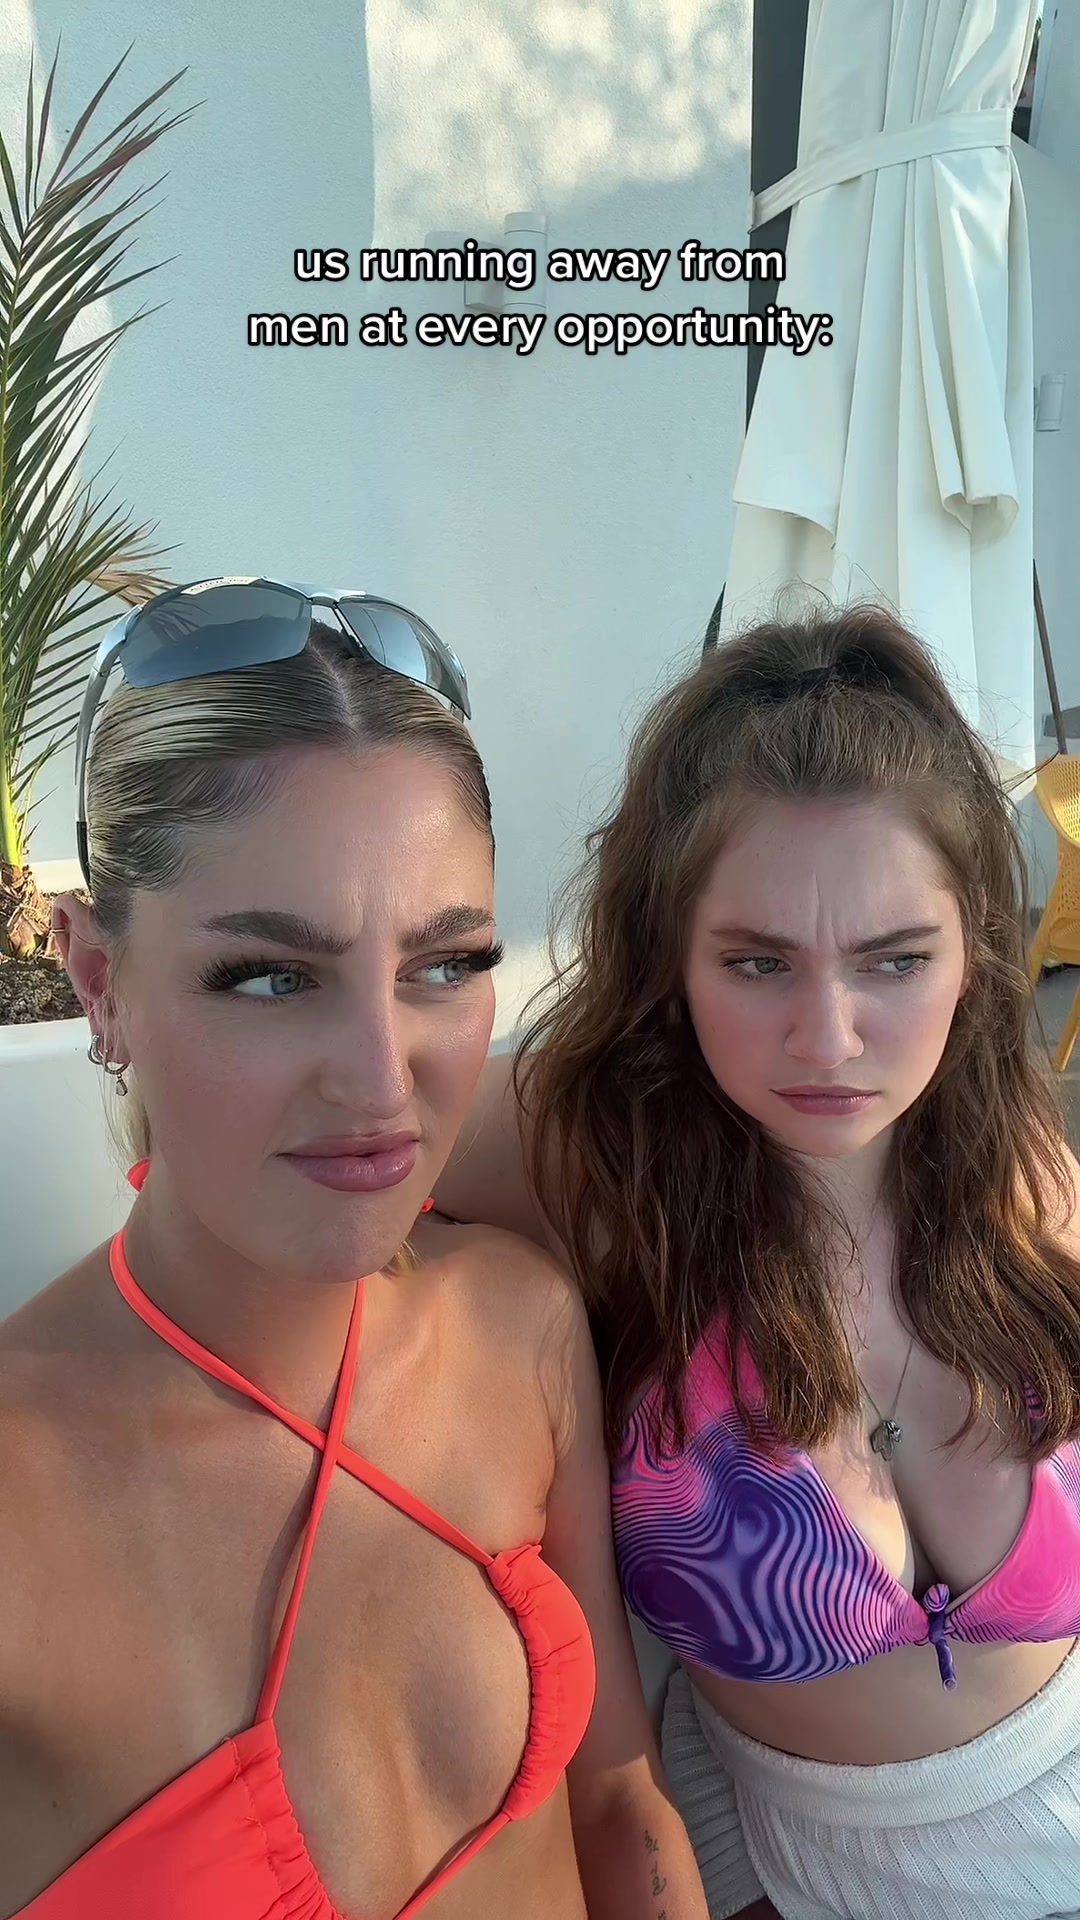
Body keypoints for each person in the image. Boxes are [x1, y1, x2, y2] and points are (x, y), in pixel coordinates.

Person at [0, 579, 709, 1920]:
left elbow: (620, 1809)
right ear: (98, 979)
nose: (384, 1083)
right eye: (272, 977)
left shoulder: (516, 1327)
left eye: (445, 965)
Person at [435, 603, 1080, 1920]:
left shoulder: (1018, 1169)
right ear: (670, 958)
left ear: (971, 953)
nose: (830, 1037)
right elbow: (330, 1122)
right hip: (808, 1870)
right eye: (757, 963)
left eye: (896, 961)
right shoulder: (594, 1165)